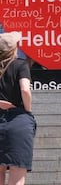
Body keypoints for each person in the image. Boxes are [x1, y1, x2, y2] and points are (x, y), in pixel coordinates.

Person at [0, 32, 36, 185]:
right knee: (17, 174)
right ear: (15, 48)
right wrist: (27, 111)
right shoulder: (21, 65)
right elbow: (25, 90)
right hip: (18, 120)